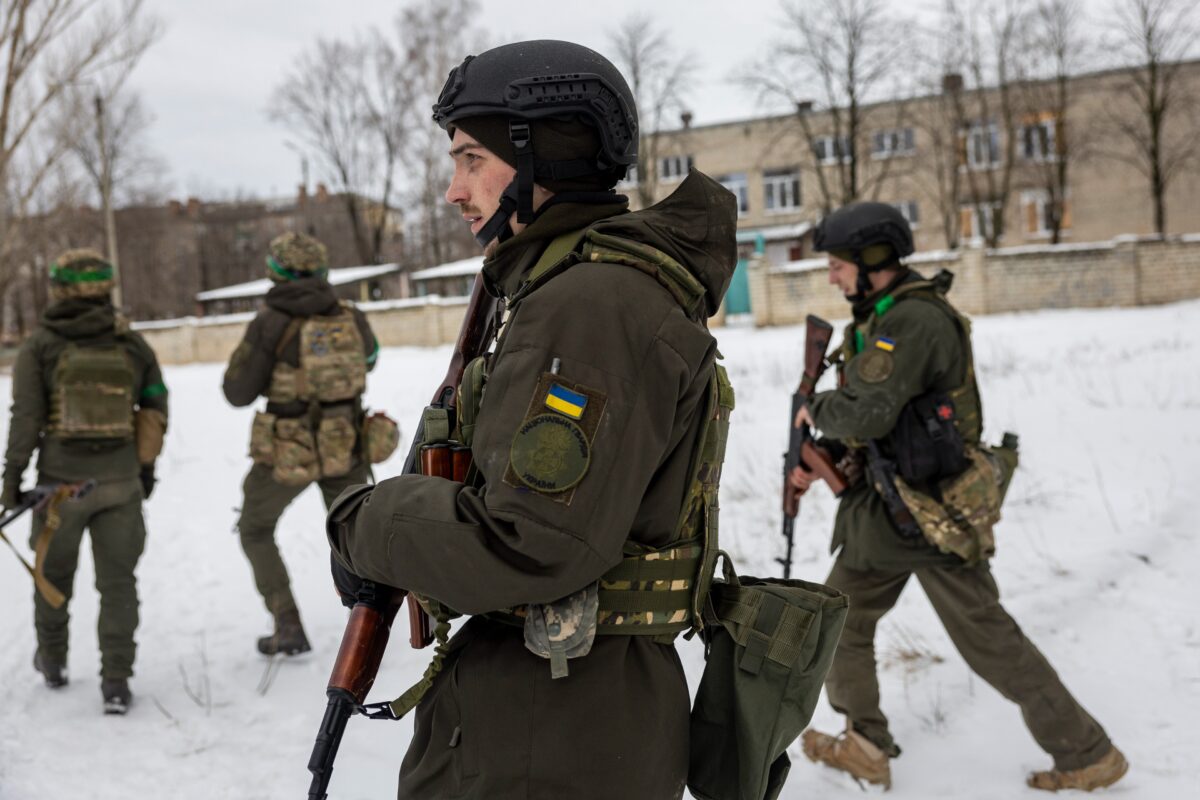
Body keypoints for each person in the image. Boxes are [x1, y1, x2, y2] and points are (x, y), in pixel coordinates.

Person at [324, 40, 737, 799]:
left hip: (550, 734)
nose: (454, 190)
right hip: (558, 708)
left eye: (471, 157)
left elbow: (531, 543)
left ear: (543, 152)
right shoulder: (571, 290)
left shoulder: (589, 306)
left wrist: (365, 525)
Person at [788, 201, 1127, 791]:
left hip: (925, 515)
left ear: (873, 261)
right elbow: (886, 422)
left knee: (986, 640)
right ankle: (866, 743)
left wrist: (812, 407)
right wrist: (824, 463)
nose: (832, 276)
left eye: (839, 264)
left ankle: (1086, 751)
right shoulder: (884, 317)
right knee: (839, 620)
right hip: (889, 514)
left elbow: (866, 411)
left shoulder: (913, 322)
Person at [2, 249, 168, 714]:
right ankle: (116, 680)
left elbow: (26, 418)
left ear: (59, 289)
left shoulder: (41, 345)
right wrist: (144, 468)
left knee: (52, 577)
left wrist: (11, 480)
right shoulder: (131, 344)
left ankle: (52, 661)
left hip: (59, 490)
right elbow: (155, 407)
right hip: (120, 483)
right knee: (118, 584)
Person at [222, 232, 380, 656]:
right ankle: (373, 620)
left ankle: (286, 622)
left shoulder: (269, 321)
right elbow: (369, 360)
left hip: (286, 451)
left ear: (274, 272)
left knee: (255, 528)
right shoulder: (350, 315)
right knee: (358, 534)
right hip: (344, 443)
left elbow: (237, 391)